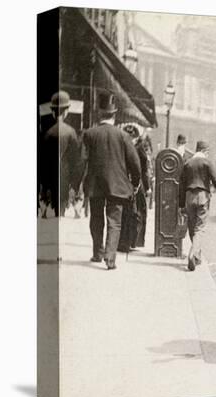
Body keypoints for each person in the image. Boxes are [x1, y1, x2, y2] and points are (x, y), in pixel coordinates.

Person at [80, 93, 141, 270]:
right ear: (114, 114)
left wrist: (76, 184)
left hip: (95, 184)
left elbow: (81, 161)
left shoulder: (89, 134)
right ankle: (110, 257)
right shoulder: (123, 136)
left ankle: (97, 253)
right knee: (114, 221)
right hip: (118, 185)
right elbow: (134, 163)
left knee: (96, 218)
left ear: (100, 113)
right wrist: (135, 182)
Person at [179, 141, 216, 271]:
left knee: (191, 225)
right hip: (202, 196)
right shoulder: (206, 163)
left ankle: (197, 257)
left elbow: (181, 185)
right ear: (205, 151)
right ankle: (193, 253)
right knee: (200, 227)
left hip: (189, 196)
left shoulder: (187, 163)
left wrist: (181, 204)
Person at [39, 90, 81, 217]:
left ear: (53, 112)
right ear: (66, 111)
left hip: (49, 179)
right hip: (65, 177)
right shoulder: (71, 132)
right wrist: (74, 185)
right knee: (61, 215)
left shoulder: (47, 133)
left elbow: (43, 159)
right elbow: (76, 160)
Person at [118, 124, 151, 252]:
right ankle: (132, 241)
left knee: (130, 212)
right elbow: (144, 170)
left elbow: (143, 170)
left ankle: (128, 240)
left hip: (129, 182)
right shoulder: (139, 148)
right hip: (136, 184)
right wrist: (146, 186)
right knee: (136, 212)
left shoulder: (124, 147)